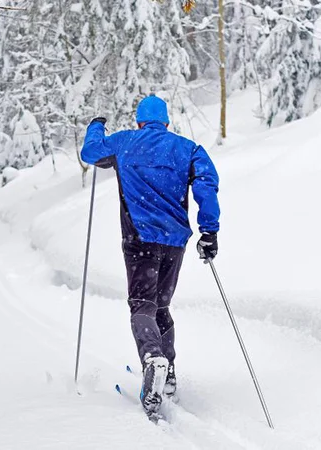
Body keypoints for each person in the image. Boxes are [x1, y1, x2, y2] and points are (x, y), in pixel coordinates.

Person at [80, 94, 220, 420]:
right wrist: (209, 230)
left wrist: (96, 126)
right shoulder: (188, 149)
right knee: (161, 306)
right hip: (174, 242)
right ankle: (167, 370)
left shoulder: (126, 142)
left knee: (142, 305)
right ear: (166, 122)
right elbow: (206, 183)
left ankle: (153, 356)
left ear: (139, 121)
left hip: (139, 239)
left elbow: (91, 152)